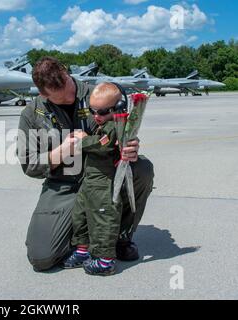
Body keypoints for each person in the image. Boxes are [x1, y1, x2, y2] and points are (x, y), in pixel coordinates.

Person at [17, 57, 154, 272]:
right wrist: (62, 151)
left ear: (66, 71)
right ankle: (88, 234)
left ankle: (120, 238)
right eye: (63, 98)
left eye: (71, 88)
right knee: (41, 257)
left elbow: (122, 132)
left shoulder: (99, 95)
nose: (72, 96)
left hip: (104, 176)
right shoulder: (33, 114)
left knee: (142, 169)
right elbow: (29, 165)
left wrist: (130, 146)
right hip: (63, 185)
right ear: (44, 94)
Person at [62, 82, 126, 276]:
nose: (96, 116)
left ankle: (106, 260)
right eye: (92, 111)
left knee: (103, 218)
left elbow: (102, 144)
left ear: (118, 108)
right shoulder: (101, 125)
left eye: (103, 112)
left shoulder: (115, 126)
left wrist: (82, 140)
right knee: (79, 215)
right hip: (89, 181)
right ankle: (82, 250)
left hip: (103, 183)